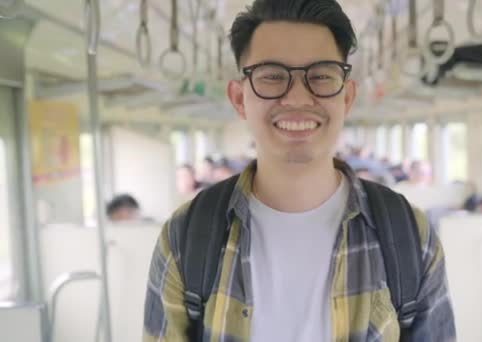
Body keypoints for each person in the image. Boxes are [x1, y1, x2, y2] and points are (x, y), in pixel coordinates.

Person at [143, 1, 455, 341]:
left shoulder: (410, 236)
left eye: (321, 76)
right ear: (238, 98)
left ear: (347, 97)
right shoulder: (185, 238)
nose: (296, 97)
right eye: (272, 76)